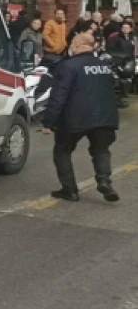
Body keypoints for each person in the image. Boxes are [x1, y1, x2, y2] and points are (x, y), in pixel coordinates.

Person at [42, 32, 120, 203]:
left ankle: (70, 190)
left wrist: (49, 121)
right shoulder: (104, 65)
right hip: (104, 117)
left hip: (75, 118)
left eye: (72, 44)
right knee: (101, 149)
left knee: (62, 151)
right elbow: (113, 90)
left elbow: (58, 96)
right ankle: (104, 179)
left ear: (77, 45)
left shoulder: (68, 66)